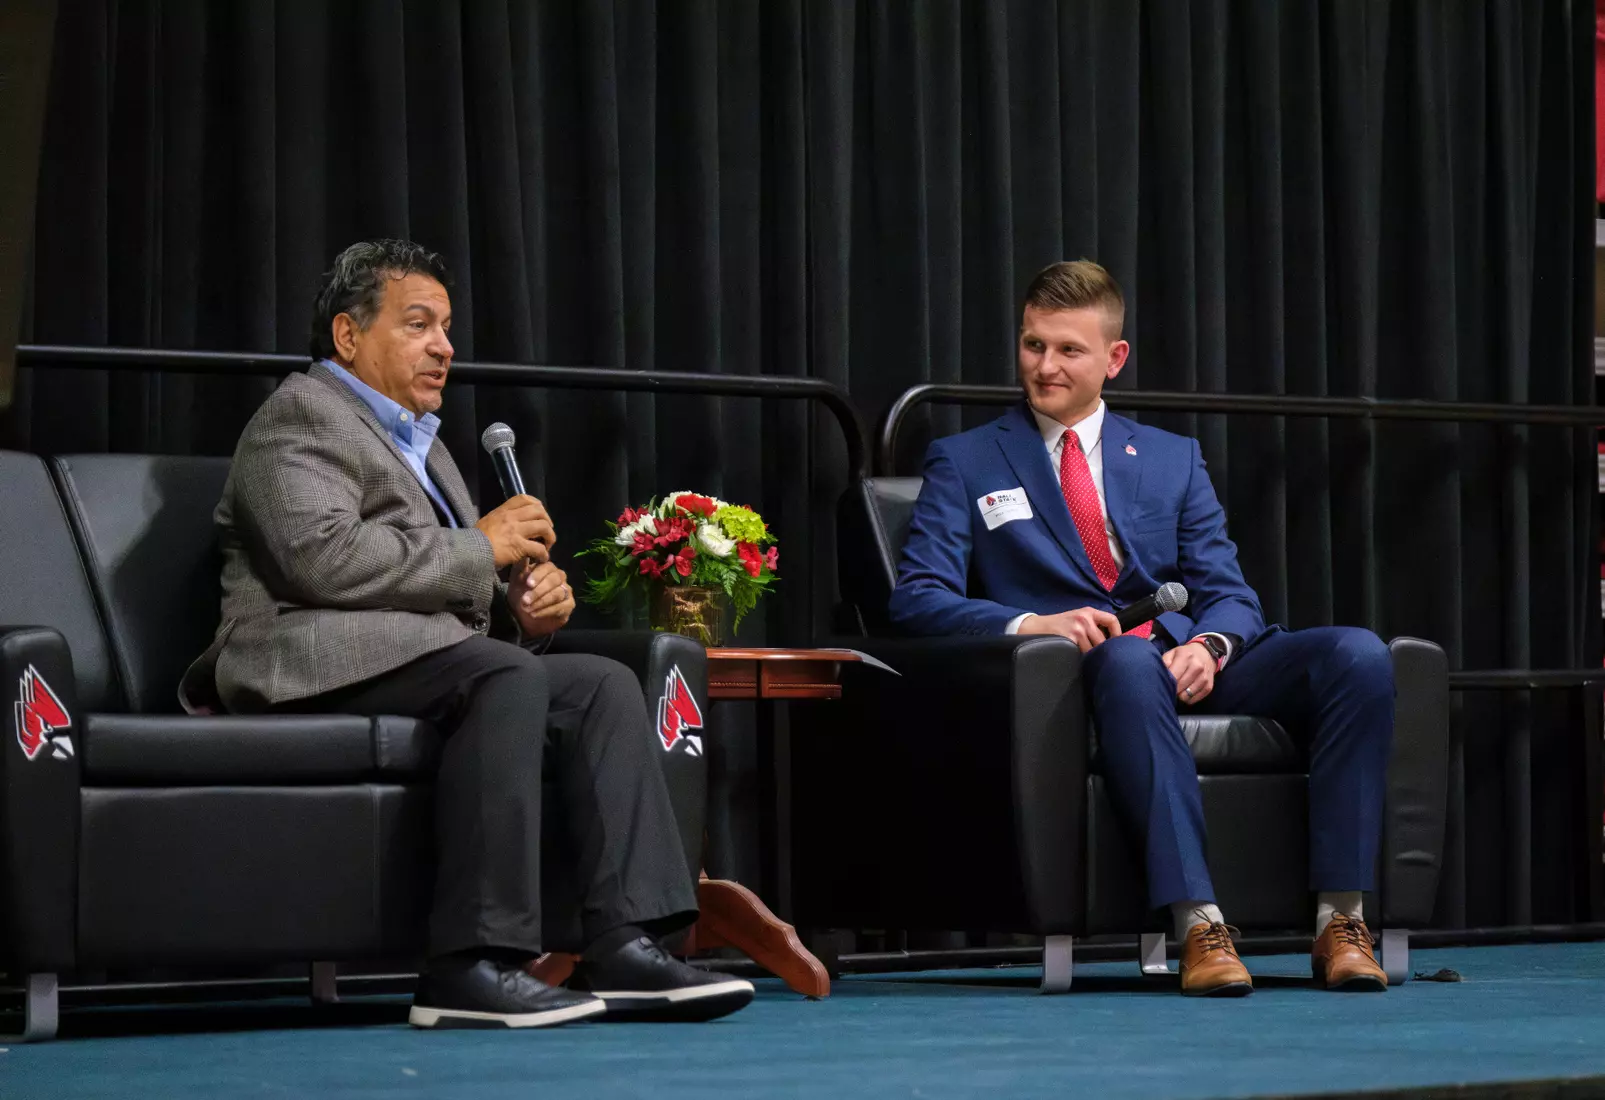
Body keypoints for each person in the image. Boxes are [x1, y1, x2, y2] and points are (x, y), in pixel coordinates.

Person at [180, 239, 753, 1028]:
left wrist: (521, 608)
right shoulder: (299, 416)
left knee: (598, 684)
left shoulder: (424, 441)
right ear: (349, 337)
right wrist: (482, 548)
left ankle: (626, 943)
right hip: (309, 653)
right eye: (418, 325)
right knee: (504, 676)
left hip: (416, 654)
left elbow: (441, 585)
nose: (444, 346)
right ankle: (470, 964)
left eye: (446, 327)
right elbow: (322, 561)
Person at [889, 260, 1394, 997]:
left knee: (1358, 654)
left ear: (1112, 358)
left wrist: (1209, 645)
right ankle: (1199, 926)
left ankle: (1339, 923)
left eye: (1067, 350)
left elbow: (1229, 594)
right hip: (1080, 673)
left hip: (1185, 658)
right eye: (1033, 346)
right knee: (1126, 663)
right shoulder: (965, 461)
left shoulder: (1169, 458)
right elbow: (917, 599)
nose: (1045, 366)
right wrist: (1033, 623)